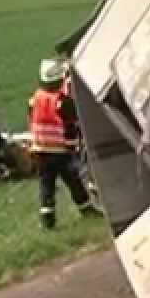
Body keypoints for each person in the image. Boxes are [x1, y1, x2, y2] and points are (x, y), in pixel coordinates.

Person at [29, 58, 100, 229]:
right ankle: (86, 209)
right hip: (60, 151)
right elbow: (70, 127)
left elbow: (32, 120)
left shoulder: (35, 98)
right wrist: (73, 147)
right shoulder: (62, 101)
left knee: (46, 185)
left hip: (40, 150)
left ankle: (47, 217)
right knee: (73, 181)